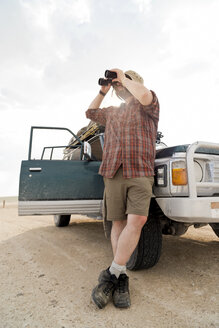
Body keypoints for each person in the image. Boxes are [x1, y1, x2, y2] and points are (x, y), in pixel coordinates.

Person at [85, 68, 160, 309]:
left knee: (137, 219)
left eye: (122, 83)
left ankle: (111, 273)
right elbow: (90, 112)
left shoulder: (148, 105)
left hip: (140, 169)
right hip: (113, 171)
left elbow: (145, 95)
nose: (119, 86)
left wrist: (123, 77)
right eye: (118, 85)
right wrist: (103, 90)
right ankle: (121, 276)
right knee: (118, 223)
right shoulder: (113, 113)